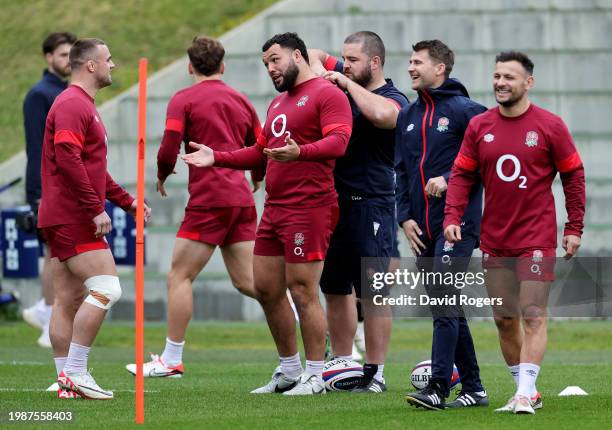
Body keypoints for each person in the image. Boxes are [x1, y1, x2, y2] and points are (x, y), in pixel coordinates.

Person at [182, 32, 352, 395]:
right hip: (275, 207)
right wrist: (218, 157)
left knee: (303, 290)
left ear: (298, 56)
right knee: (266, 289)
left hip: (310, 207)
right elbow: (261, 151)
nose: (271, 69)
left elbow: (339, 142)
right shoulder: (278, 104)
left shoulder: (329, 94)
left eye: (276, 60)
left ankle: (316, 375)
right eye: (265, 64)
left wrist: (301, 153)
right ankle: (289, 370)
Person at [444, 51, 586, 414]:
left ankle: (524, 394)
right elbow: (461, 174)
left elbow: (573, 174)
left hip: (536, 237)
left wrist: (573, 226)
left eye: (508, 77)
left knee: (534, 313)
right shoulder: (480, 126)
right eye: (496, 76)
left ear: (528, 83)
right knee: (504, 319)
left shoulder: (550, 125)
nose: (500, 83)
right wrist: (453, 216)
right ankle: (525, 389)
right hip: (496, 238)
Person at [125, 36, 262, 378]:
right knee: (250, 282)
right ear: (223, 66)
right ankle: (311, 323)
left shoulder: (184, 99)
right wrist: (257, 175)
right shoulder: (241, 99)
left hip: (210, 199)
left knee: (179, 276)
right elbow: (260, 143)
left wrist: (162, 173)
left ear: (190, 66)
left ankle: (171, 359)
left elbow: (170, 143)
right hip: (241, 199)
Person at [38, 38, 151, 400]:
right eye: (109, 58)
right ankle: (75, 373)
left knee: (67, 299)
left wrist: (127, 202)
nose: (113, 65)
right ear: (90, 65)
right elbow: (68, 157)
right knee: (107, 288)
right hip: (71, 213)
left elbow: (93, 169)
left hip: (62, 212)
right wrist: (94, 207)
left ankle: (64, 382)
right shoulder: (73, 103)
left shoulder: (81, 104)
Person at [308, 30, 408, 393]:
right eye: (344, 59)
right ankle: (344, 366)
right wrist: (331, 69)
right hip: (333, 203)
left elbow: (385, 116)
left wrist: (345, 83)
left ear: (375, 62)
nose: (345, 65)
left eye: (353, 60)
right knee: (335, 288)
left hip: (371, 204)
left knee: (374, 292)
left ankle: (376, 373)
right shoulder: (345, 77)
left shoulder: (392, 96)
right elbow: (313, 52)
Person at [394, 40, 488, 411]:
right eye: (410, 62)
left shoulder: (467, 111)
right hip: (422, 229)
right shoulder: (407, 115)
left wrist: (450, 177)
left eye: (418, 62)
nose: (411, 68)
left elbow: (484, 159)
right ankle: (475, 388)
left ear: (440, 69)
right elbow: (400, 171)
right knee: (445, 306)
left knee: (444, 302)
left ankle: (437, 387)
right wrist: (404, 217)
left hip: (458, 225)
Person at [22, 31, 77, 349]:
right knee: (54, 252)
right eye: (62, 55)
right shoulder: (41, 94)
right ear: (48, 58)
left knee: (57, 252)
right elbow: (37, 147)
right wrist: (40, 191)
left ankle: (46, 311)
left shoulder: (64, 91)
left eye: (72, 55)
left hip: (58, 184)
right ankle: (48, 314)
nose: (68, 61)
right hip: (45, 184)